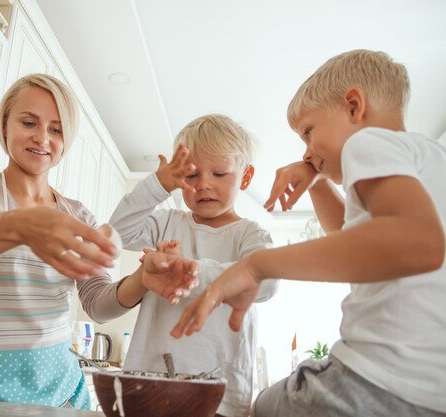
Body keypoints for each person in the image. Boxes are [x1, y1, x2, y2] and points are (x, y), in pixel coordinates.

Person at [0, 73, 198, 409]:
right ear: (6, 124)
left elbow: (98, 304)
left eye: (55, 129)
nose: (42, 138)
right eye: (29, 122)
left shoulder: (77, 214)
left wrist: (143, 279)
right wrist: (17, 225)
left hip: (62, 396)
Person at [172, 50, 446, 417]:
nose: (307, 152)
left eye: (308, 132)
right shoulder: (429, 158)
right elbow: (355, 240)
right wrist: (317, 182)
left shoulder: (370, 143)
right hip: (428, 391)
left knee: (259, 408)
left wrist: (256, 266)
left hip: (373, 376)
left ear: (353, 106)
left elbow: (418, 243)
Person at [109, 114, 278, 417]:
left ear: (246, 177)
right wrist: (157, 185)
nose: (204, 185)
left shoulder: (251, 235)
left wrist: (190, 271)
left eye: (219, 173)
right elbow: (117, 232)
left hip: (220, 395)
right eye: (191, 175)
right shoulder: (166, 223)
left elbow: (266, 283)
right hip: (149, 383)